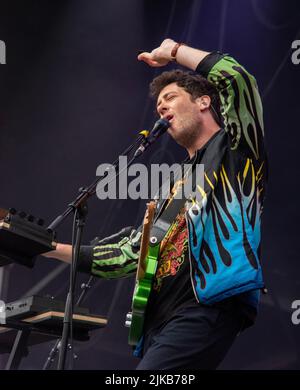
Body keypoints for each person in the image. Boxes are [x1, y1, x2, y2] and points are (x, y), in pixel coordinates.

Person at [43, 38, 267, 369]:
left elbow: (238, 79)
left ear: (204, 101)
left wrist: (173, 52)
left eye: (170, 98)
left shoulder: (235, 148)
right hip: (160, 322)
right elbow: (126, 254)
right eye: (158, 104)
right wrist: (41, 246)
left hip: (207, 305)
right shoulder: (176, 186)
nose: (161, 108)